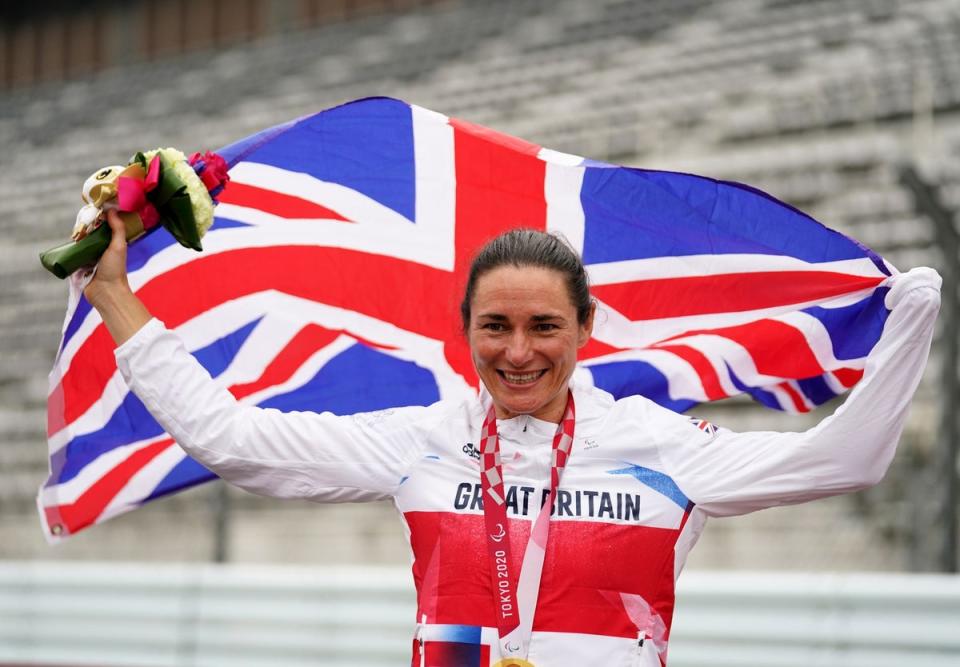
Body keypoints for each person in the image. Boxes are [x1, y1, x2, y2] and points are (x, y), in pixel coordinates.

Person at [85, 209, 941, 667]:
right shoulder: (423, 436)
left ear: (586, 326)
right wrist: (115, 297)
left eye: (544, 325)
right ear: (464, 329)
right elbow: (231, 439)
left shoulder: (661, 443)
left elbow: (847, 457)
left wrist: (912, 322)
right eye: (495, 325)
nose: (519, 351)